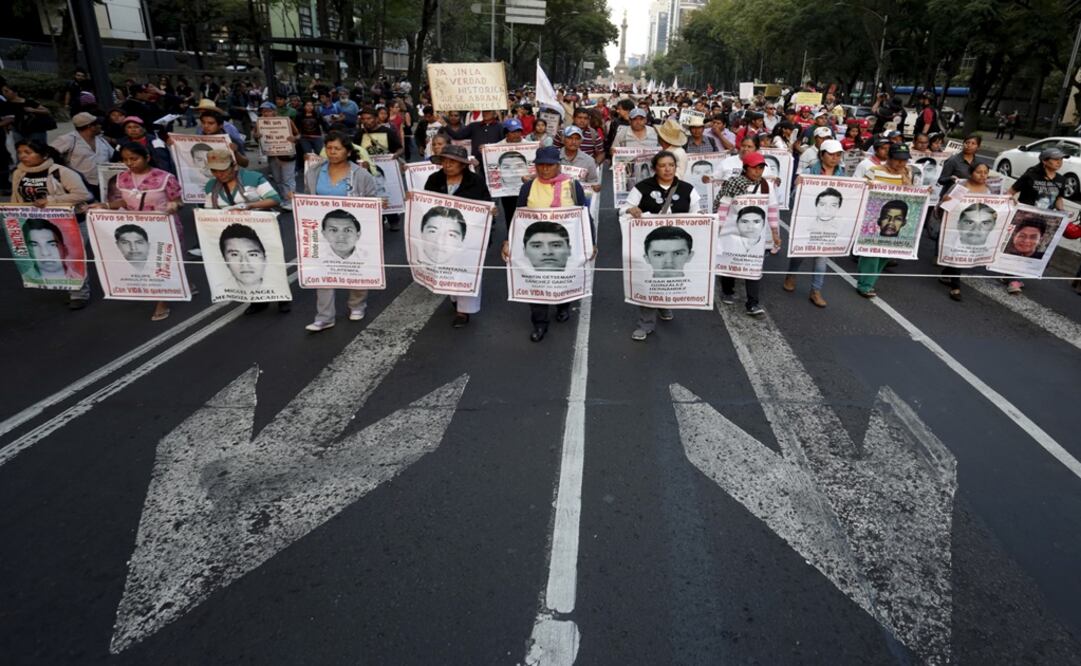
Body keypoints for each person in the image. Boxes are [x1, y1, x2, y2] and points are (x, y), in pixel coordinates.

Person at [501, 146, 593, 342]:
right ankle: (540, 324)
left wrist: (591, 241)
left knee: (564, 278)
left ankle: (563, 306)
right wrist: (509, 241)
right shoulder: (528, 187)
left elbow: (585, 215)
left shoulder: (573, 186)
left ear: (558, 165)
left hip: (565, 245)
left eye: (549, 165)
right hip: (537, 246)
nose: (544, 169)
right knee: (536, 283)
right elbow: (518, 218)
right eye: (540, 165)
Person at [93, 141, 189, 319]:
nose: (130, 163)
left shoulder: (165, 178)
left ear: (147, 157)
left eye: (134, 158)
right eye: (126, 159)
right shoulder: (122, 178)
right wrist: (105, 205)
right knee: (145, 262)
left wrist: (173, 205)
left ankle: (162, 301)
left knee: (163, 263)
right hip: (136, 228)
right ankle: (178, 284)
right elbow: (124, 201)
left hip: (163, 226)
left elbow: (179, 201)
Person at [302, 130, 381, 332]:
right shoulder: (314, 172)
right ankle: (325, 317)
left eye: (337, 148)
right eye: (329, 148)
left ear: (348, 151)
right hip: (324, 231)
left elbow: (373, 198)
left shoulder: (361, 175)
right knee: (324, 269)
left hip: (351, 229)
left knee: (355, 266)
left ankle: (357, 305)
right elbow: (308, 198)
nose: (332, 152)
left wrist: (375, 204)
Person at [200, 148, 288, 314]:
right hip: (234, 233)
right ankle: (257, 300)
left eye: (223, 170)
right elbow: (209, 211)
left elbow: (274, 199)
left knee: (273, 263)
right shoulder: (211, 186)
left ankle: (282, 297)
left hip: (264, 229)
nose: (219, 174)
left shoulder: (253, 178)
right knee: (245, 267)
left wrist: (250, 206)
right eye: (215, 171)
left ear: (234, 166)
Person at [623, 150, 699, 340]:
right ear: (655, 168)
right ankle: (645, 324)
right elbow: (624, 211)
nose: (667, 169)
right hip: (652, 245)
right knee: (651, 280)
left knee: (670, 277)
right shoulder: (642, 188)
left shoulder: (688, 189)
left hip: (677, 246)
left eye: (671, 165)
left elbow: (698, 215)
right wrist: (632, 210)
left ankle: (664, 305)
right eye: (663, 165)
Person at [10, 139, 94, 308]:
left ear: (44, 154)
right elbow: (15, 197)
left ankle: (79, 295)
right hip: (38, 225)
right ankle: (71, 288)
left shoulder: (61, 172)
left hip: (72, 222)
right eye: (20, 153)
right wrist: (13, 216)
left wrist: (51, 200)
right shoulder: (19, 173)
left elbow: (84, 194)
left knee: (73, 257)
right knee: (57, 257)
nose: (23, 156)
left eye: (28, 152)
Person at [423, 144, 493, 327]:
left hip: (468, 235)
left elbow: (486, 204)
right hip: (441, 236)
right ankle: (454, 297)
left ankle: (464, 311)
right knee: (446, 266)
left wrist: (491, 216)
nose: (447, 165)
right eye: (444, 161)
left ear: (463, 165)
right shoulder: (433, 180)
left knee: (467, 270)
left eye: (452, 161)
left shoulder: (476, 182)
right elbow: (425, 205)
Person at [713, 151, 783, 316]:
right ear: (745, 168)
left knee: (753, 266)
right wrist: (719, 228)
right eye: (754, 168)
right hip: (732, 231)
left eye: (761, 168)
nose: (758, 171)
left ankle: (753, 303)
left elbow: (772, 209)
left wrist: (774, 232)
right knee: (730, 260)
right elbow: (723, 207)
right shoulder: (733, 183)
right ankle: (727, 290)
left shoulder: (766, 186)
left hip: (755, 235)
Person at [784, 139, 847, 308]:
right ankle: (791, 275)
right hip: (809, 220)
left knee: (821, 257)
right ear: (822, 154)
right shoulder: (810, 170)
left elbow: (849, 196)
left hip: (829, 222)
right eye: (831, 154)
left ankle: (816, 290)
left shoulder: (842, 173)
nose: (835, 158)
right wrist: (798, 186)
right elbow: (794, 197)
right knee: (801, 252)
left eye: (838, 154)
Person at [1005, 146, 1066, 293]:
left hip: (1045, 222)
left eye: (1061, 160)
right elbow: (1010, 192)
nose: (1059, 162)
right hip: (1025, 220)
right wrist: (1013, 206)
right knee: (1018, 248)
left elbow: (1058, 199)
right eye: (1056, 159)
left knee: (1034, 250)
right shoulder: (1031, 176)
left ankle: (1011, 276)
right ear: (1045, 161)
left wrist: (1063, 212)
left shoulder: (1060, 179)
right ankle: (1011, 280)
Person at [50, 112, 113, 195]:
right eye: (97, 124)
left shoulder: (101, 140)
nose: (100, 126)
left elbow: (113, 156)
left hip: (102, 183)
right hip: (79, 183)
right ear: (90, 126)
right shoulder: (68, 139)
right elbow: (49, 153)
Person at [253, 101, 299, 208]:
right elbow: (256, 138)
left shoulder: (286, 121)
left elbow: (298, 135)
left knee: (288, 179)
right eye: (263, 111)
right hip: (272, 155)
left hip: (287, 155)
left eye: (268, 111)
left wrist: (294, 139)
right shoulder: (259, 123)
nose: (265, 113)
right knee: (278, 180)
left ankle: (291, 202)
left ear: (274, 111)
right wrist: (256, 136)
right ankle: (284, 199)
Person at [218, 223, 268, 290]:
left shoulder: (280, 289)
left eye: (252, 255)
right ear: (225, 260)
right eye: (234, 255)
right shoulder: (217, 291)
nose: (244, 263)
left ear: (265, 258)